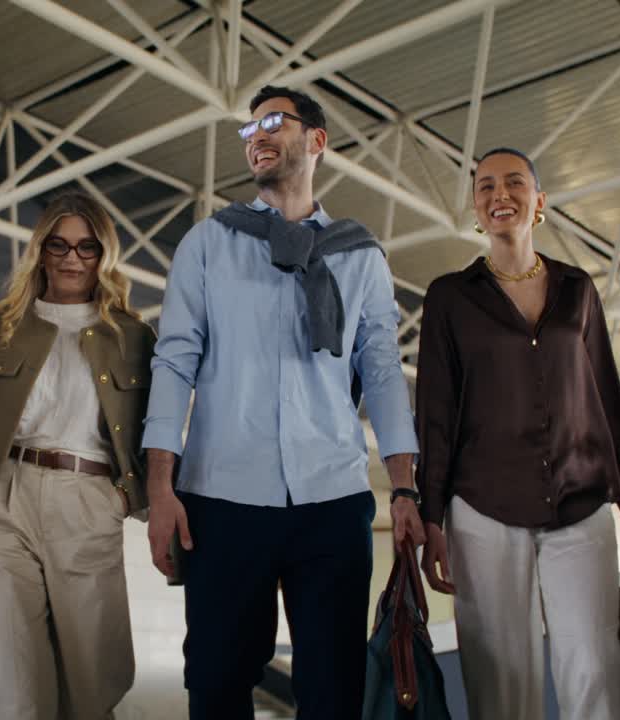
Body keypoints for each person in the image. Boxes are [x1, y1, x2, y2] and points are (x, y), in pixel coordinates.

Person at [142, 85, 422, 719]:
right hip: (221, 497)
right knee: (215, 684)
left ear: (316, 141)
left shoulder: (360, 257)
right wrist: (161, 488)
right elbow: (174, 362)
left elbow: (381, 374)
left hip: (331, 498)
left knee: (333, 689)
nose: (256, 135)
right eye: (249, 128)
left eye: (273, 121)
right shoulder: (208, 244)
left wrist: (403, 488)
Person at [415, 147, 620, 720]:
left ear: (539, 203)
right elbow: (434, 416)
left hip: (580, 504)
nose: (499, 194)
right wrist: (431, 518)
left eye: (514, 183)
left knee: (595, 668)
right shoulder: (449, 298)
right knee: (501, 683)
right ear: (477, 209)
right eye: (486, 187)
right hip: (483, 511)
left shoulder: (577, 290)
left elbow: (606, 399)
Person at [0, 192, 155, 719]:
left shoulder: (134, 337)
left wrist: (134, 504)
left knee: (91, 687)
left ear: (104, 255)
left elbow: (151, 437)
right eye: (59, 245)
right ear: (40, 251)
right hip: (6, 501)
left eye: (87, 248)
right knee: (17, 689)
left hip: (89, 502)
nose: (73, 258)